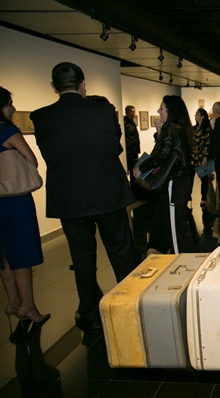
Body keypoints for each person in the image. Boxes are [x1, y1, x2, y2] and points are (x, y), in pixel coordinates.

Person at [31, 62, 137, 330]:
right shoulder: (103, 111)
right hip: (108, 193)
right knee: (121, 252)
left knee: (82, 258)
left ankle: (89, 313)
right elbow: (113, 148)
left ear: (54, 87)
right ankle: (132, 304)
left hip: (69, 197)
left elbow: (50, 153)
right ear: (83, 84)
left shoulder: (41, 117)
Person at [0, 87, 50, 327]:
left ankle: (12, 302)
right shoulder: (8, 130)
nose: (12, 108)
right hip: (15, 200)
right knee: (21, 252)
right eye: (9, 103)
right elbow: (32, 159)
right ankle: (27, 306)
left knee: (4, 254)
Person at [133, 95, 195, 254]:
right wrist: (160, 132)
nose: (158, 111)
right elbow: (170, 149)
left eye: (161, 108)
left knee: (176, 228)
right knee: (174, 221)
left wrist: (141, 168)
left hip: (175, 181)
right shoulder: (180, 127)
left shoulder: (171, 126)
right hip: (181, 180)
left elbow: (163, 154)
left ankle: (181, 259)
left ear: (170, 110)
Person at [191, 107, 212, 208]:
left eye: (197, 114)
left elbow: (208, 144)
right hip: (193, 157)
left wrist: (205, 157)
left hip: (202, 157)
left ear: (202, 116)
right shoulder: (194, 128)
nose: (195, 115)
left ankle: (203, 199)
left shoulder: (207, 130)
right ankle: (188, 196)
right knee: (190, 178)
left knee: (204, 179)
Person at [124, 105, 140, 171]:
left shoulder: (132, 122)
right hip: (129, 150)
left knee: (135, 167)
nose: (133, 114)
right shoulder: (124, 123)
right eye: (131, 112)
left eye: (134, 112)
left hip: (134, 149)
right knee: (131, 168)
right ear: (126, 113)